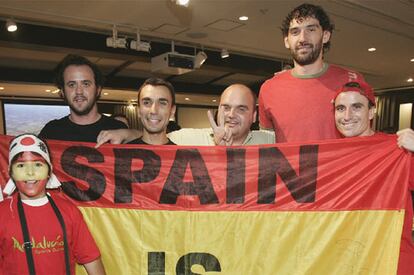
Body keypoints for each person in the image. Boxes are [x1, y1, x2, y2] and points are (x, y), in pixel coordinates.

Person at [333, 81, 414, 274]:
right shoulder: (330, 156)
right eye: (340, 108)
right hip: (342, 259)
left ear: (371, 112)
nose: (347, 116)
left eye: (357, 107)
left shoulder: (396, 150)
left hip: (391, 259)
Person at [259, 3, 365, 143]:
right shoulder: (269, 89)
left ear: (325, 36)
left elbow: (367, 140)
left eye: (311, 30)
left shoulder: (351, 80)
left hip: (340, 165)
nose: (303, 38)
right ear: (287, 41)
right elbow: (265, 147)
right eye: (295, 32)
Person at [0, 134, 105, 274]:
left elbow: (91, 259)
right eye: (21, 165)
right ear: (11, 172)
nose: (30, 173)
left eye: (38, 164)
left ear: (49, 170)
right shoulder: (2, 213)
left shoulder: (68, 211)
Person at [96, 84, 274, 146]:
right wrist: (125, 133)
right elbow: (155, 137)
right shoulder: (191, 139)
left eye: (241, 109)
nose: (231, 115)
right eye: (226, 107)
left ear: (254, 116)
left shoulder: (270, 142)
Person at [39, 54, 127, 142]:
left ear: (98, 90)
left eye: (86, 84)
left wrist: (130, 133)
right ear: (62, 92)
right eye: (72, 85)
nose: (79, 91)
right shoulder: (51, 131)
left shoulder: (117, 129)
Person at [128, 78, 176, 145]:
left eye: (162, 103)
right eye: (147, 103)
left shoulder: (182, 155)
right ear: (138, 110)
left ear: (172, 111)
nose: (154, 111)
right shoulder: (121, 154)